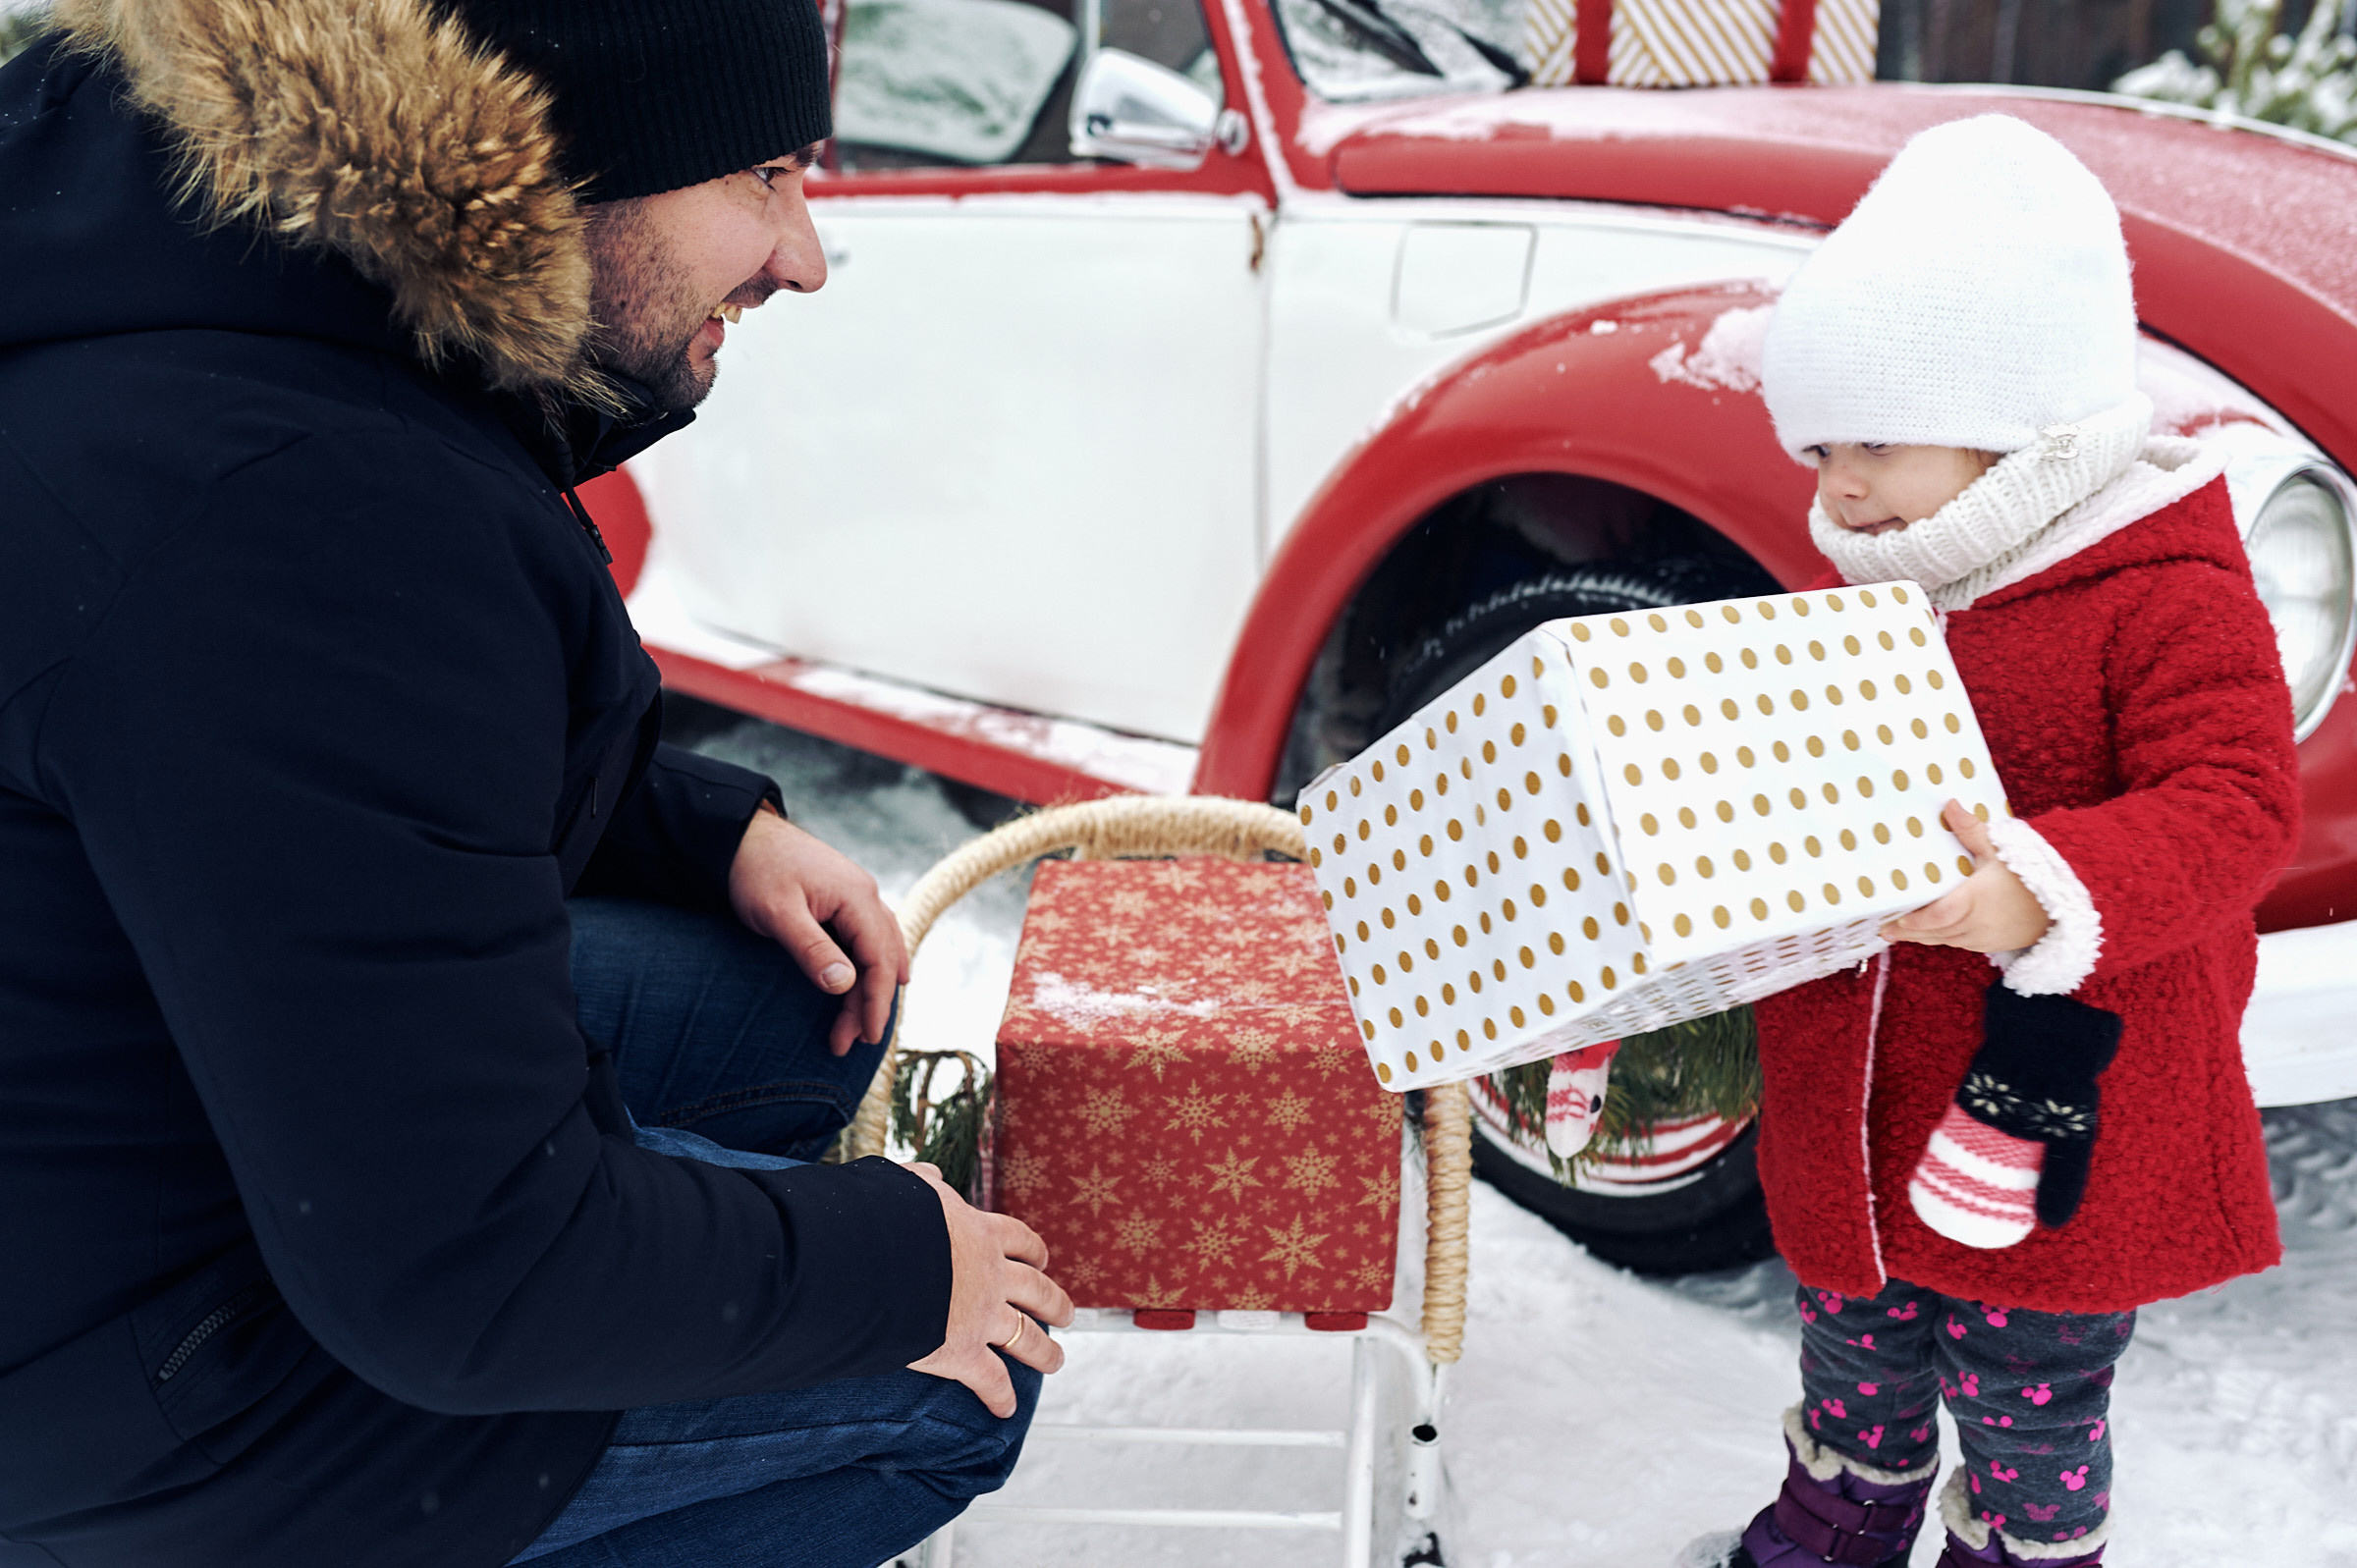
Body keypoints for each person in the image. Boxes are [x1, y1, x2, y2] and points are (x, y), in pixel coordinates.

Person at [0, 2, 1071, 1565]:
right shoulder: (301, 506)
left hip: (138, 1115)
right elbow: (463, 1269)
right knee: (959, 1387)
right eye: (763, 174)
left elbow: (317, 779)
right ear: (570, 153)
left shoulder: (251, 298)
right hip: (141, 1370)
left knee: (775, 1003)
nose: (802, 257)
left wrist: (703, 830)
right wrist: (902, 1268)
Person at [1687, 115, 2299, 1568]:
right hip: (1863, 1087)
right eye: (1820, 447)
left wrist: (2039, 890)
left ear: (2013, 421)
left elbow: (2236, 804)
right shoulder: (1874, 590)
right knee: (1856, 1331)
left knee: (2029, 1384)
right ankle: (1846, 1509)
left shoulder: (2163, 589)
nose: (1837, 486)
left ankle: (2023, 1548)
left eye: (1875, 443)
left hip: (2047, 1099)